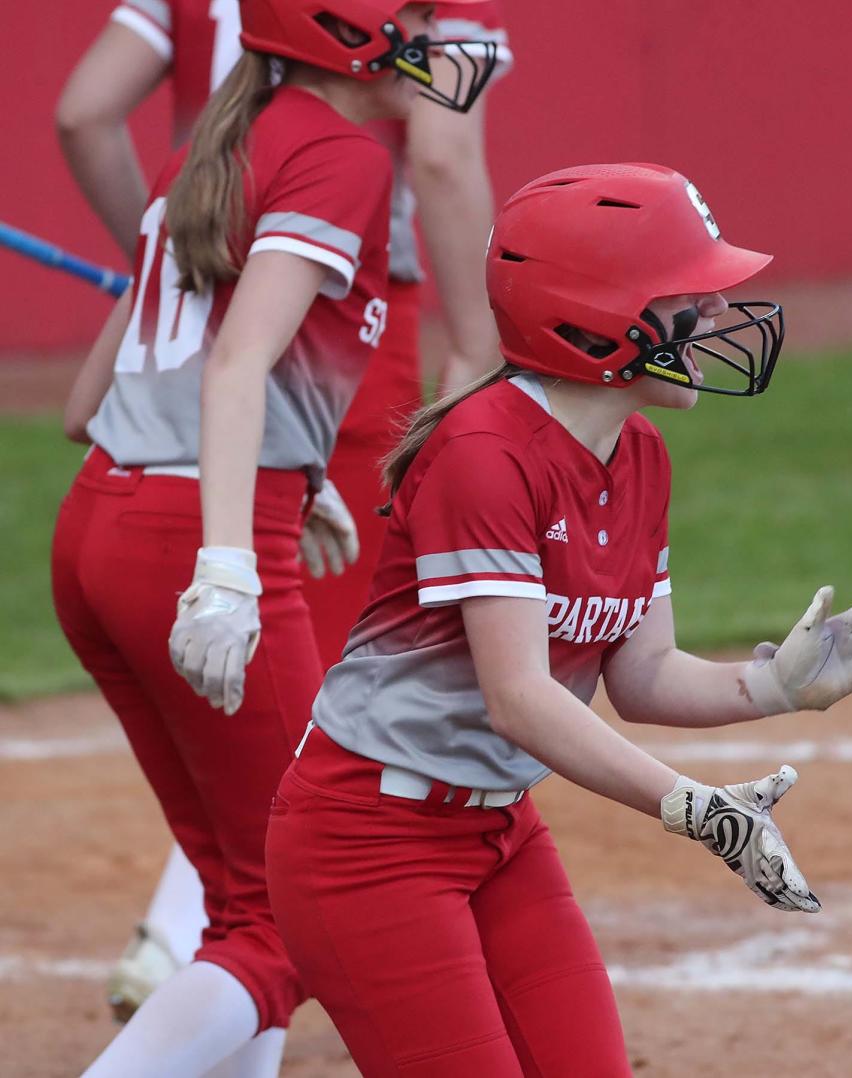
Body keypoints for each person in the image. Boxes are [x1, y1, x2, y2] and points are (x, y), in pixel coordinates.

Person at [260, 162, 852, 1076]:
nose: (718, 322)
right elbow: (521, 700)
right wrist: (688, 805)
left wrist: (771, 687)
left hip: (497, 832)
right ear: (599, 319)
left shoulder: (637, 451)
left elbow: (641, 676)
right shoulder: (484, 454)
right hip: (368, 844)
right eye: (690, 301)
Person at [51, 3, 496, 1076]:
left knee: (243, 898)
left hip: (98, 530)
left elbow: (83, 406)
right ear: (358, 47)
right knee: (295, 905)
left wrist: (298, 476)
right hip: (189, 538)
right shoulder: (342, 158)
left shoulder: (217, 145)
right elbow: (237, 364)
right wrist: (226, 566)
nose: (437, 52)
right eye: (411, 31)